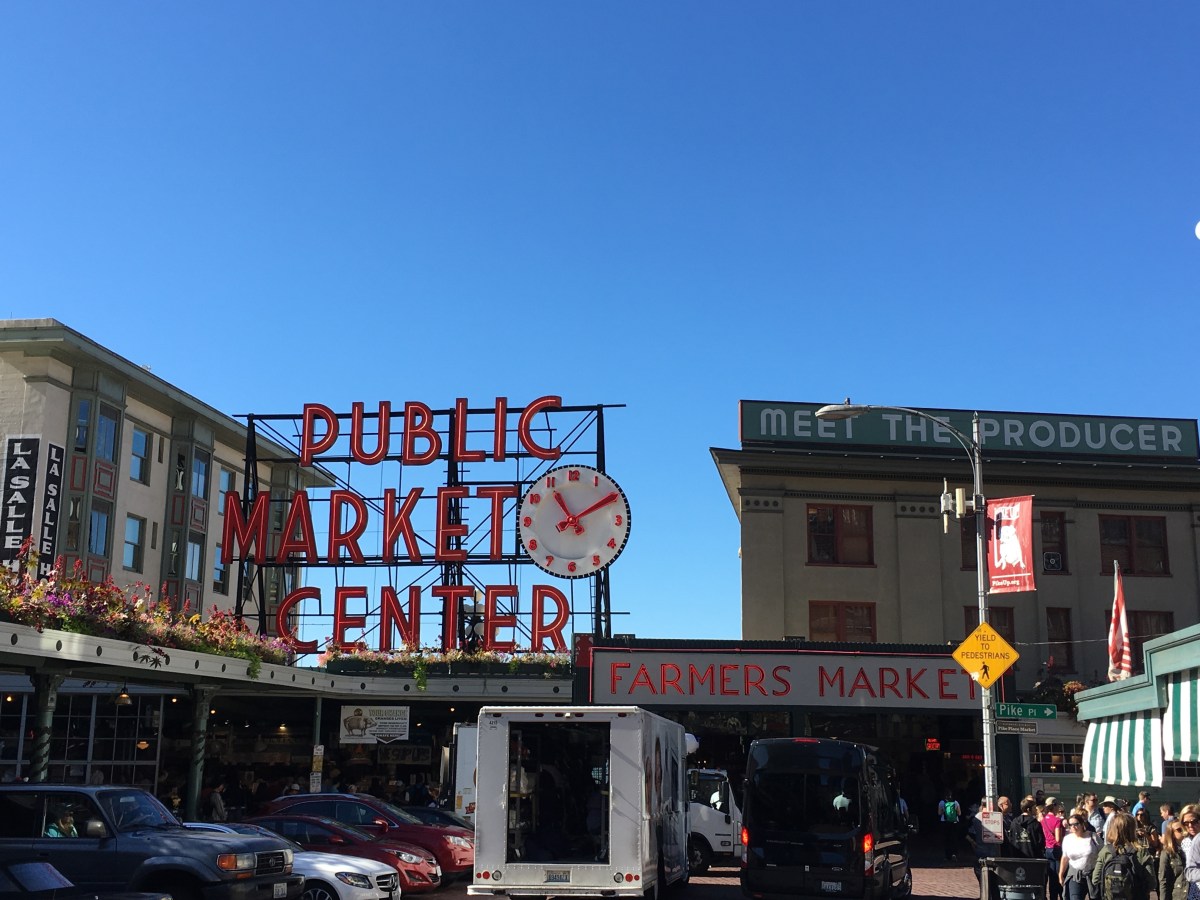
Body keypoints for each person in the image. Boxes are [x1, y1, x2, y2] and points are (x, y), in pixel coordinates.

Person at [1091, 812, 1154, 900]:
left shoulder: (1106, 851)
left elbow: (1095, 879)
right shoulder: (1141, 851)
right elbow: (1152, 883)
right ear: (1133, 829)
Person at [1059, 812, 1099, 900]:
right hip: (1075, 875)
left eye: (1076, 824)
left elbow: (1103, 854)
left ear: (1082, 824)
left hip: (1092, 875)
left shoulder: (1093, 837)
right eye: (1070, 825)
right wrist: (1061, 874)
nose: (1073, 827)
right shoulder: (1067, 839)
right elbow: (1065, 858)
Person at [1158, 816, 1187, 900]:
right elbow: (1163, 880)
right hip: (1179, 895)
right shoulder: (1167, 853)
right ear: (1172, 833)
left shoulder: (1192, 849)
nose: (1183, 832)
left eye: (1184, 828)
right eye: (1179, 830)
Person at [1043, 797, 1066, 900]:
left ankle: (1052, 897)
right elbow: (1058, 839)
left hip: (1047, 849)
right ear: (1054, 806)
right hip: (1056, 849)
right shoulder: (1057, 820)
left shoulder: (1043, 819)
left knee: (1051, 877)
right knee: (1059, 875)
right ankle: (1062, 896)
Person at [940, 791, 962, 862]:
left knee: (947, 839)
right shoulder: (955, 802)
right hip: (954, 822)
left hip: (945, 822)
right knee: (954, 838)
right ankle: (954, 854)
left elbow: (939, 813)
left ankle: (947, 856)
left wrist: (944, 811)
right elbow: (959, 813)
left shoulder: (942, 802)